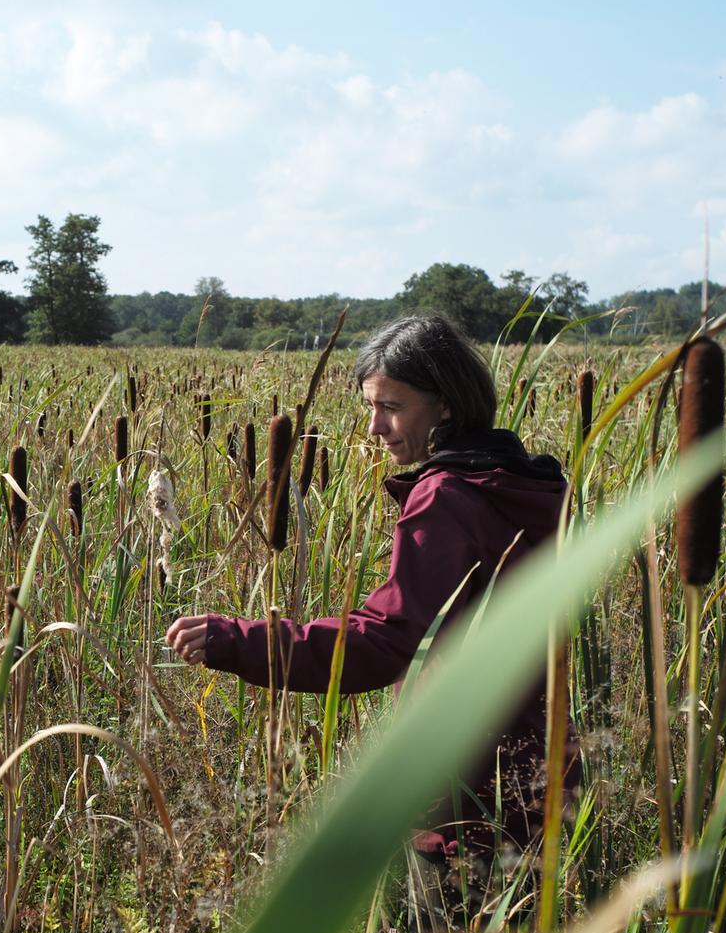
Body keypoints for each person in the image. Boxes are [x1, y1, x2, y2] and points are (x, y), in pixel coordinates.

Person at [164, 313, 575, 869]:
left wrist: (235, 641)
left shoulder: (447, 498)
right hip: (543, 766)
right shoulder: (528, 484)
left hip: (468, 787)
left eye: (392, 407)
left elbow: (384, 641)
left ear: (446, 405)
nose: (375, 427)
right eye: (370, 408)